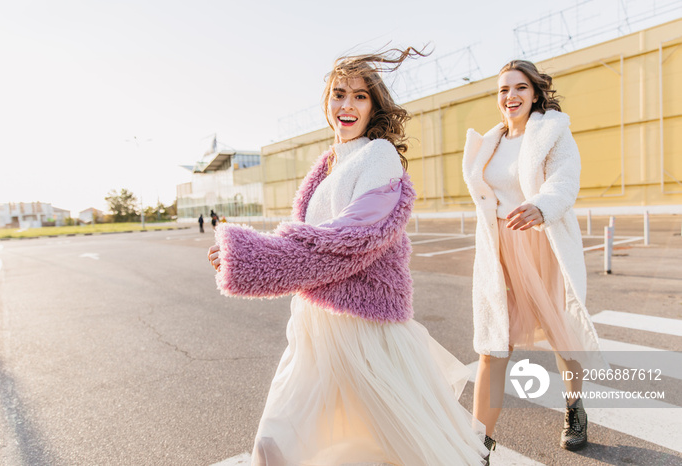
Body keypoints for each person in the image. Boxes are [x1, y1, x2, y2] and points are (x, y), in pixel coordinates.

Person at [208, 48, 488, 465]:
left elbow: (351, 238)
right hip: (314, 325)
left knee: (398, 449)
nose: (347, 105)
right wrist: (249, 253)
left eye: (360, 96)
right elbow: (312, 237)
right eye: (339, 94)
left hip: (363, 328)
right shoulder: (325, 164)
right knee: (276, 445)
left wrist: (252, 257)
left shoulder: (379, 155)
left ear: (374, 106)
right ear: (327, 102)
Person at [462, 59, 607, 459]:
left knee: (562, 335)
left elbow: (565, 179)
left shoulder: (552, 131)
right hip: (499, 252)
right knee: (492, 346)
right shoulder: (489, 143)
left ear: (536, 92)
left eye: (520, 88)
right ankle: (479, 443)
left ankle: (575, 409)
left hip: (541, 244)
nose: (511, 96)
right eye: (504, 90)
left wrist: (541, 206)